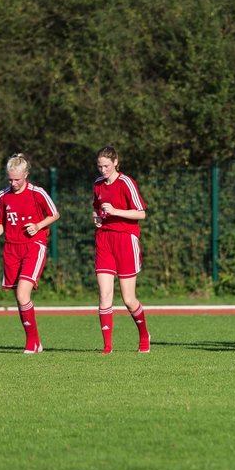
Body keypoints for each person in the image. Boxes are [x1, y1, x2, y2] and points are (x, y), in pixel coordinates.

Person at [0, 153, 60, 354]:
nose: (13, 183)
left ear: (26, 174)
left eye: (17, 179)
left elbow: (54, 214)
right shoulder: (3, 196)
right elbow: (0, 223)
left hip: (34, 245)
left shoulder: (37, 193)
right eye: (10, 179)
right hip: (11, 248)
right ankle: (35, 342)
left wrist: (38, 225)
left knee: (22, 293)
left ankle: (31, 344)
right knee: (19, 298)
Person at [93, 145, 150, 354]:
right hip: (104, 240)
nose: (102, 170)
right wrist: (97, 218)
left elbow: (141, 213)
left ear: (116, 162)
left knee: (128, 299)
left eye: (106, 166)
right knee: (104, 294)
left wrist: (116, 211)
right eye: (99, 166)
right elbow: (96, 207)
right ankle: (107, 346)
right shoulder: (98, 184)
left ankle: (144, 335)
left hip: (126, 240)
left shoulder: (126, 183)